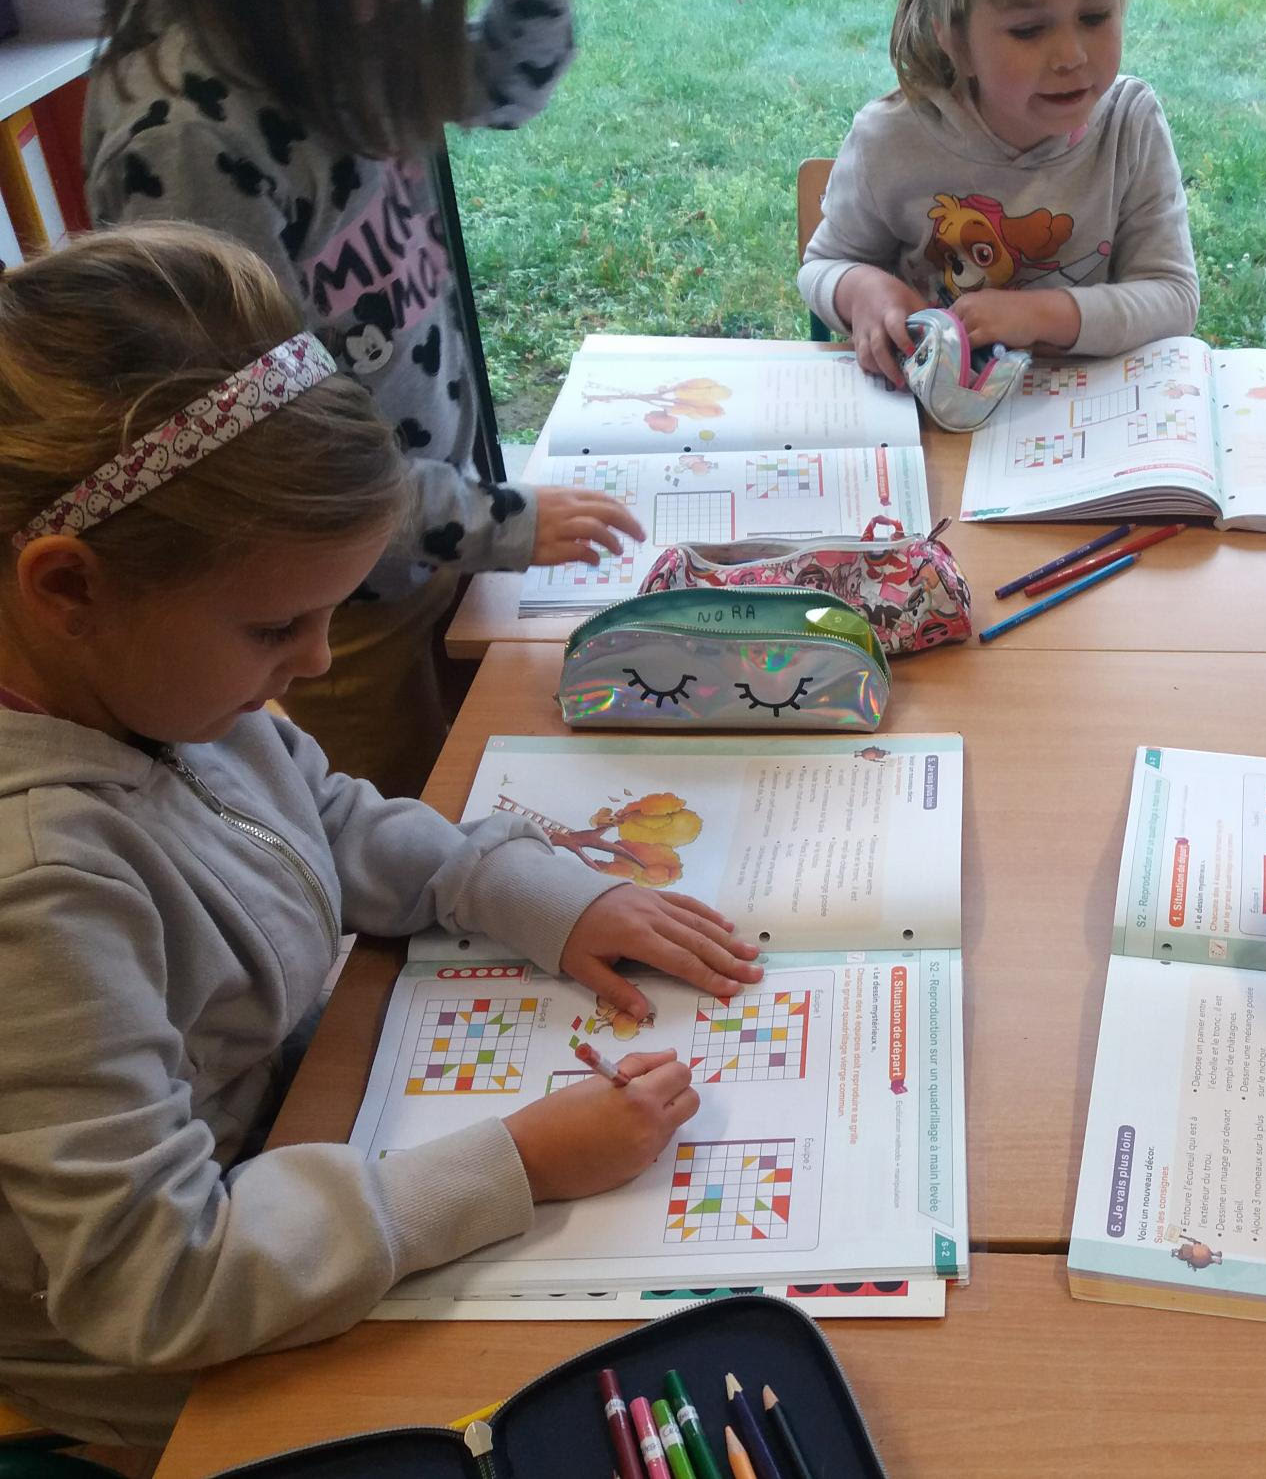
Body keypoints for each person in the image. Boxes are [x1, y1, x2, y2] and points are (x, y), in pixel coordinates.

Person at [0, 225, 760, 1444]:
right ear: (69, 589)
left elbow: (323, 816)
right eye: (275, 629)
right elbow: (159, 1280)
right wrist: (516, 1164)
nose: (313, 663)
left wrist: (541, 894)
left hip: (316, 1147)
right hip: (193, 1373)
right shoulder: (39, 891)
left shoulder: (149, 690)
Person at [83, 0, 641, 795]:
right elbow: (271, 456)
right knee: (402, 807)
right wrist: (496, 524)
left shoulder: (340, 29)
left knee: (475, 763)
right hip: (337, 590)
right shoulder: (185, 138)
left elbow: (506, 87)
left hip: (434, 523)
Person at [799, 0, 1199, 385]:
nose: (1071, 56)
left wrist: (1041, 315)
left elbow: (1174, 297)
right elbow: (822, 265)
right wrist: (860, 289)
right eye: (1028, 30)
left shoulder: (1129, 126)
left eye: (1094, 16)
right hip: (932, 414)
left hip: (1088, 414)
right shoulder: (890, 142)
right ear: (956, 42)